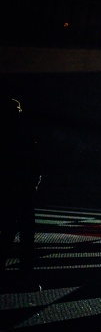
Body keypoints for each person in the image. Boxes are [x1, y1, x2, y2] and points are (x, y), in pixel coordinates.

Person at [0, 96, 43, 293]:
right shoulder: (26, 134)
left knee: (8, 232)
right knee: (25, 235)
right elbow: (36, 162)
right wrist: (34, 182)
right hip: (22, 191)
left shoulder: (9, 136)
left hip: (11, 191)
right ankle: (25, 277)